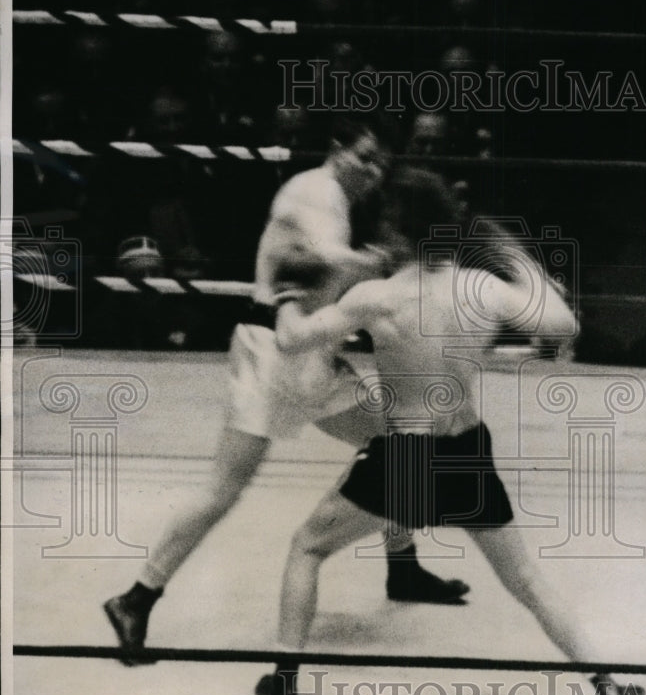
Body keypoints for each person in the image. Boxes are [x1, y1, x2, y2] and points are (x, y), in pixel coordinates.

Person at [256, 169, 646, 695]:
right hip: (465, 451)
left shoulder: (380, 296)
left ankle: (285, 682)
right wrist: (513, 255)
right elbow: (562, 324)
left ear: (398, 234)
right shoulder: (482, 288)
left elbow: (292, 340)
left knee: (308, 547)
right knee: (528, 582)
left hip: (406, 458)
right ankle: (609, 687)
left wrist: (288, 293)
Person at [104, 118, 470, 665]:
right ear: (336, 147)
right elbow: (324, 257)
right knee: (224, 489)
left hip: (306, 355)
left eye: (378, 165)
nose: (369, 172)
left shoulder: (338, 199)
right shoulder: (313, 192)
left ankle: (403, 566)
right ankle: (137, 597)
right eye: (362, 157)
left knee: (399, 440)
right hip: (272, 353)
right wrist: (396, 259)